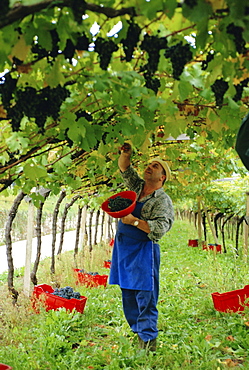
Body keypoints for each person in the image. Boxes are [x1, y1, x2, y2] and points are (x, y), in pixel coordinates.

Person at [109, 143, 174, 352]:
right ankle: (138, 332)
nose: (149, 167)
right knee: (127, 293)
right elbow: (125, 169)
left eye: (155, 166)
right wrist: (125, 154)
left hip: (143, 251)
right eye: (149, 164)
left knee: (145, 295)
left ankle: (148, 341)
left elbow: (160, 229)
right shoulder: (136, 187)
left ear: (162, 177)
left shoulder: (163, 200)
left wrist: (134, 222)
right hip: (123, 250)